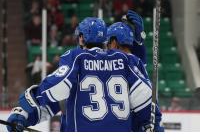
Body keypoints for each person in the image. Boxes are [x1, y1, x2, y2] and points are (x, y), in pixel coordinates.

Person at [6, 17, 154, 132]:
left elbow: (56, 89)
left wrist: (24, 111)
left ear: (82, 38)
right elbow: (144, 95)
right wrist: (144, 124)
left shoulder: (77, 58)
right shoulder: (126, 59)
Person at [106, 11, 164, 132]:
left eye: (108, 43)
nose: (107, 47)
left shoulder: (111, 64)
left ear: (115, 43)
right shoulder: (134, 62)